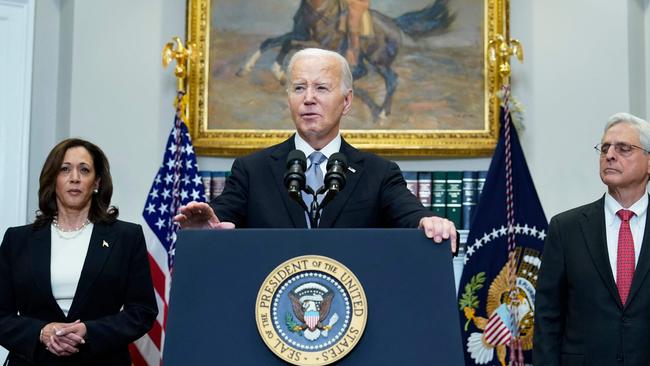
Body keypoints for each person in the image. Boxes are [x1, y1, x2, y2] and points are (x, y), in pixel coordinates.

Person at [175, 48, 457, 252]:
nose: (309, 98)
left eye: (321, 88)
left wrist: (428, 221)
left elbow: (409, 215)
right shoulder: (253, 170)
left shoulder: (378, 173)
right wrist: (206, 229)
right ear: (289, 99)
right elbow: (222, 215)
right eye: (299, 88)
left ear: (346, 102)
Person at [0, 139, 158, 366]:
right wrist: (41, 332)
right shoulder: (18, 240)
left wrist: (89, 331)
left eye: (84, 170)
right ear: (53, 179)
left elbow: (142, 312)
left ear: (97, 183)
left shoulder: (126, 237)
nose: (75, 177)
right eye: (65, 169)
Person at [534, 113, 650, 365]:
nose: (609, 155)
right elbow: (547, 318)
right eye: (605, 148)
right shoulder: (566, 228)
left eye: (624, 148)